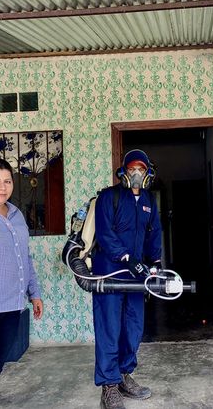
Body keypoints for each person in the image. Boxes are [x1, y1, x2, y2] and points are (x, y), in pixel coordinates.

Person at [92, 149, 162, 409]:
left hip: (136, 275)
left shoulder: (149, 200)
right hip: (109, 272)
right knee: (109, 329)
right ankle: (109, 387)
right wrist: (125, 257)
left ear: (147, 173)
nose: (136, 173)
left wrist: (155, 261)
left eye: (141, 169)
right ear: (123, 172)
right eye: (132, 168)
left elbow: (154, 233)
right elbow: (104, 233)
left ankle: (123, 375)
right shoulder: (108, 197)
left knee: (133, 327)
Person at [0, 157, 44, 409]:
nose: (2, 187)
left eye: (7, 181)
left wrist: (34, 293)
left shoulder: (16, 214)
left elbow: (24, 256)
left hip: (13, 306)